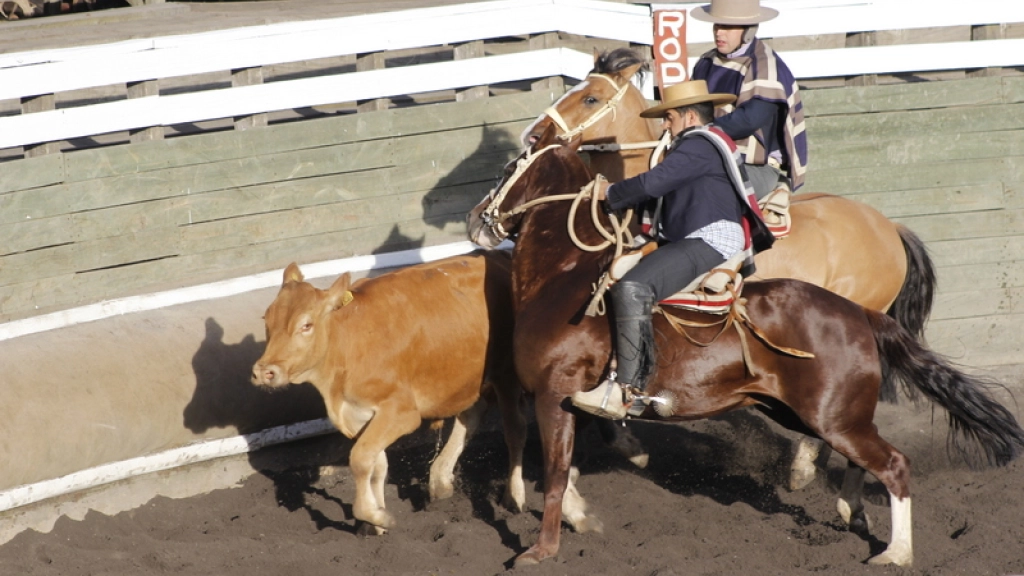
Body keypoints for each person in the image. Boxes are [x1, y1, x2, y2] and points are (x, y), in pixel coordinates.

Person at [571, 80, 773, 420]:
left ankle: (628, 391)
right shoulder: (700, 146)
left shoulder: (697, 145)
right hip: (699, 236)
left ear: (690, 117)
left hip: (710, 238)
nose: (665, 124)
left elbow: (653, 184)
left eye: (669, 117)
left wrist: (609, 192)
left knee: (633, 287)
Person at [690, 0, 808, 199]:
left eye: (728, 27)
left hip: (755, 168)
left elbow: (748, 121)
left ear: (749, 31)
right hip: (710, 156)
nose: (719, 33)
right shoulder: (706, 62)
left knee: (704, 191)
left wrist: (696, 131)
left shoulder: (766, 67)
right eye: (717, 25)